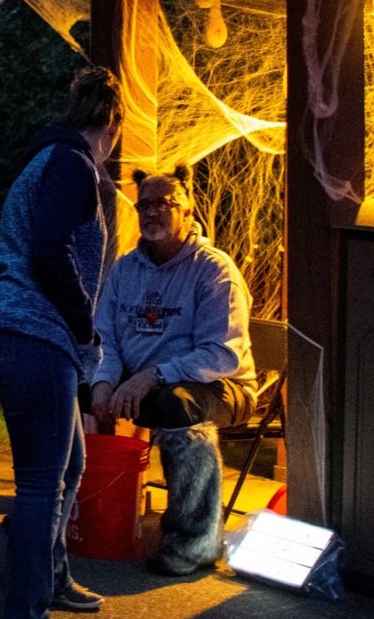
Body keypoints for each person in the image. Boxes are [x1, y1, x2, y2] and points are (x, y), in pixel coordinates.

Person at [0, 66, 119, 619]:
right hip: (34, 335)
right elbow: (51, 250)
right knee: (39, 486)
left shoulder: (47, 158)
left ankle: (51, 580)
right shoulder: (71, 164)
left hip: (16, 332)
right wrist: (83, 323)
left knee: (71, 464)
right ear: (111, 124)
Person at [88, 170, 257, 577]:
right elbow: (104, 337)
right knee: (74, 388)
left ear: (187, 210)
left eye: (164, 203)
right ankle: (79, 511)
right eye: (144, 204)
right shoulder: (125, 269)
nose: (152, 212)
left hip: (218, 386)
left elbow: (222, 354)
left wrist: (152, 376)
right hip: (142, 383)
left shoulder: (213, 270)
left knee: (177, 405)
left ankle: (195, 541)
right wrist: (103, 381)